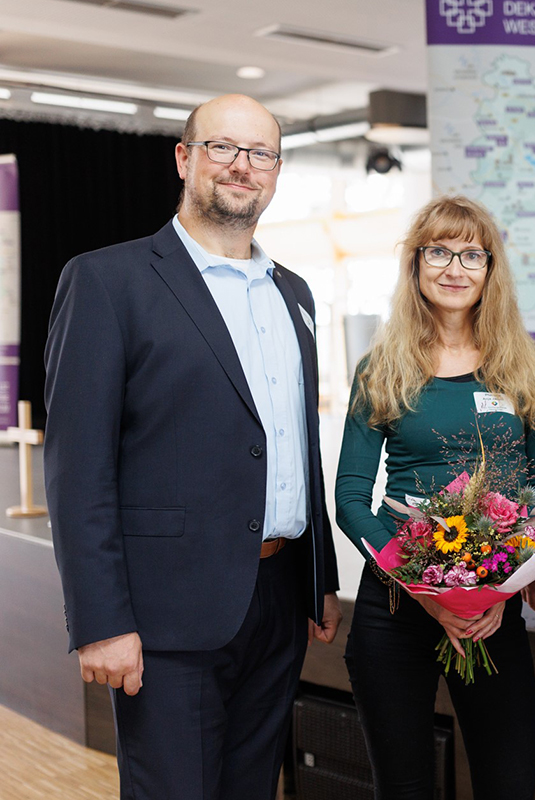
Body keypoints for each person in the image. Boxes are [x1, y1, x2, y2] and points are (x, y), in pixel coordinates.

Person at [44, 94, 341, 799]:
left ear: (276, 171)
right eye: (222, 148)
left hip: (276, 599)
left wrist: (318, 571)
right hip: (164, 614)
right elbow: (77, 468)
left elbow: (292, 444)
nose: (242, 167)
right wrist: (100, 620)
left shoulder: (292, 292)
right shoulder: (107, 281)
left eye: (260, 153)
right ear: (185, 158)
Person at [334, 195, 535, 800]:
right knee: (402, 787)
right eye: (439, 251)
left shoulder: (529, 366)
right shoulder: (380, 368)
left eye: (471, 254)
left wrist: (502, 586)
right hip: (396, 608)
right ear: (415, 264)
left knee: (507, 784)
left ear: (490, 269)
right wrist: (425, 592)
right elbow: (352, 497)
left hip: (492, 611)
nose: (454, 267)